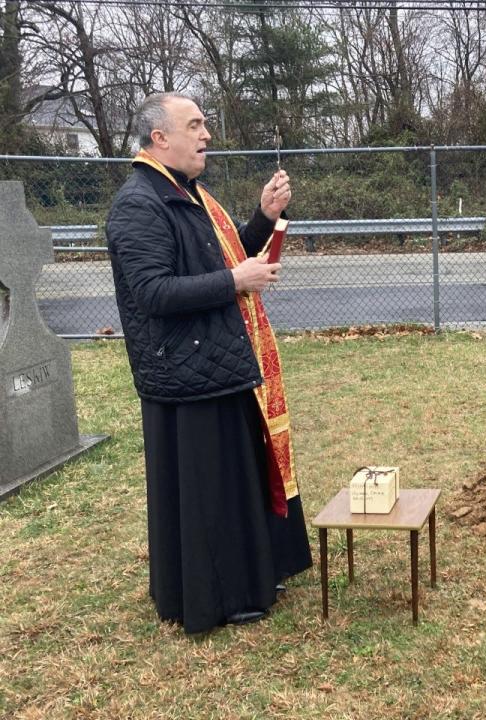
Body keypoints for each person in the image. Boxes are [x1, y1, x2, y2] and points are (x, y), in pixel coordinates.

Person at [106, 92, 312, 634]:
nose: (206, 135)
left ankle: (251, 579)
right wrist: (235, 281)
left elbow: (226, 257)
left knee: (235, 481)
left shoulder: (189, 194)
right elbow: (153, 292)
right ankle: (216, 597)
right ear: (159, 138)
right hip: (183, 375)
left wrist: (263, 219)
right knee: (208, 495)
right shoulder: (139, 204)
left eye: (204, 125)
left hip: (217, 363)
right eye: (194, 126)